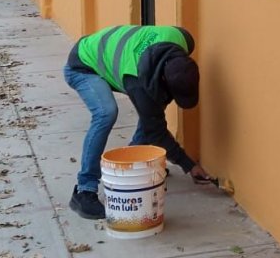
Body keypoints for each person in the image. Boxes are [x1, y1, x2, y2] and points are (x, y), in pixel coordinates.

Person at [63, 24, 211, 219]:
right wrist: (189, 165)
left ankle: (131, 166)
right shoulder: (136, 81)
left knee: (152, 110)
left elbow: (153, 119)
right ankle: (84, 190)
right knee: (106, 113)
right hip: (82, 65)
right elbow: (155, 130)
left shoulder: (181, 38)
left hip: (114, 60)